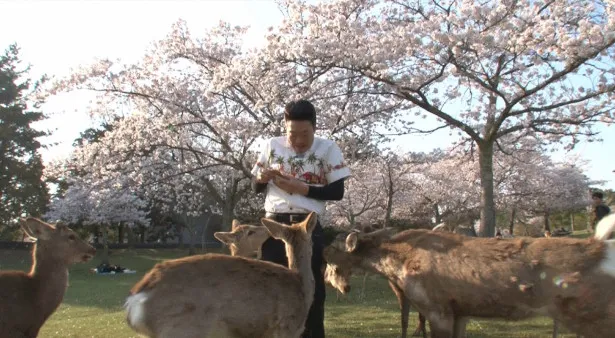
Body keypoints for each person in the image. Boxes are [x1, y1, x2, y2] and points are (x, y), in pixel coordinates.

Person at [251, 99, 351, 338]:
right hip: (274, 225)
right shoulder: (271, 145)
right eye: (291, 133)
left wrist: (302, 189)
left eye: (304, 134)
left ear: (315, 128)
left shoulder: (328, 149)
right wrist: (262, 178)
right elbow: (255, 186)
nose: (297, 140)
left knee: (311, 291)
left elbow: (337, 192)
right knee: (271, 288)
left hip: (307, 226)